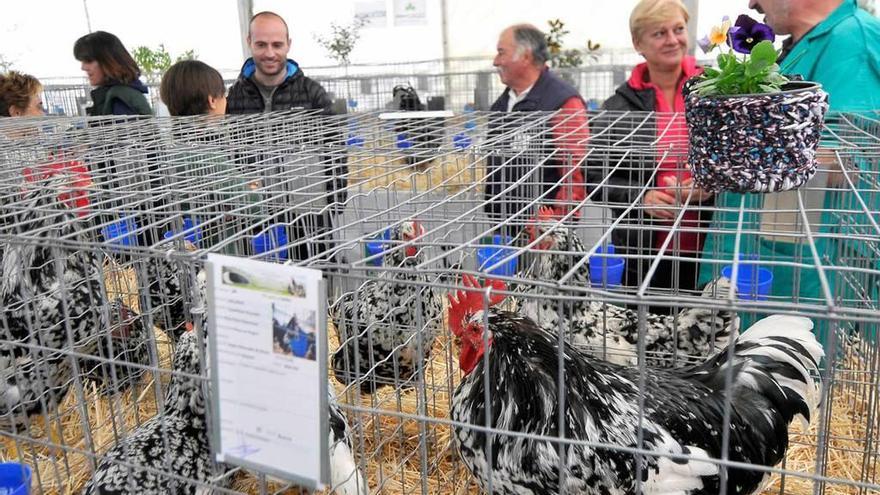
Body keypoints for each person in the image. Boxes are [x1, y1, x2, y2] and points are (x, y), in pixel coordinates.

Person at [697, 0, 880, 313]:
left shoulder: (852, 43)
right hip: (762, 262)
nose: (752, 4)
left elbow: (849, 162)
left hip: (804, 281)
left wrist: (735, 159)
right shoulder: (808, 44)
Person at [586, 0, 712, 310]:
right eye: (659, 33)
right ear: (638, 44)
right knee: (646, 340)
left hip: (710, 247)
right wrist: (642, 197)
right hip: (643, 252)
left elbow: (739, 158)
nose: (672, 40)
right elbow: (593, 176)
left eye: (678, 29)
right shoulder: (618, 107)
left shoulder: (714, 91)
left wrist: (711, 186)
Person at [226, 11, 347, 263]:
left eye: (277, 44)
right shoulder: (236, 95)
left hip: (308, 208)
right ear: (250, 42)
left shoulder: (312, 93)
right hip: (257, 207)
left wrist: (334, 201)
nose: (270, 53)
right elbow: (231, 150)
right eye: (261, 44)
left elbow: (335, 147)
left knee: (316, 277)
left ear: (288, 45)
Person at [484, 24, 589, 235]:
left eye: (501, 52)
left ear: (525, 56)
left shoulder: (562, 102)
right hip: (505, 225)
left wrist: (558, 227)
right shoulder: (501, 105)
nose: (496, 61)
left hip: (543, 230)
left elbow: (575, 172)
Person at [73, 30, 152, 116]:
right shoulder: (115, 94)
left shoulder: (120, 99)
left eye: (89, 61)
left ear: (109, 61)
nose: (83, 67)